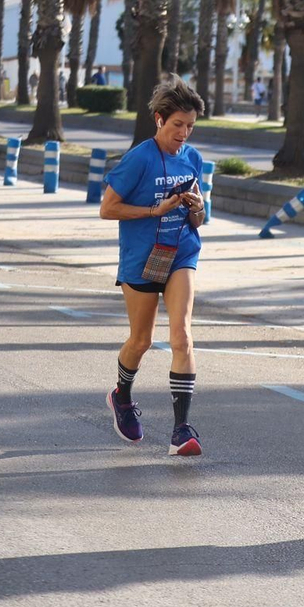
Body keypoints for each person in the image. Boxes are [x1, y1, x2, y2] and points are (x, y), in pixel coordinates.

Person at [98, 77, 208, 456]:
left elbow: (201, 216)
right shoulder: (139, 158)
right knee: (141, 340)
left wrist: (197, 210)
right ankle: (122, 396)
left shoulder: (192, 158)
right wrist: (153, 210)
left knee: (182, 336)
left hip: (181, 252)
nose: (184, 133)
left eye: (190, 126)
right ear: (160, 119)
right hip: (142, 258)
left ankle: (182, 429)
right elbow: (107, 209)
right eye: (178, 124)